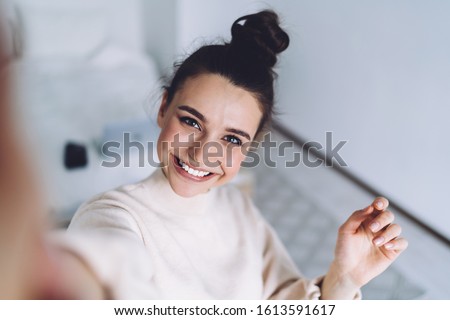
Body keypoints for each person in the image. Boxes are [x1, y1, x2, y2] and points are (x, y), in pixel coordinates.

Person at [1, 10, 407, 299]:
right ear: (162, 109)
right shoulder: (109, 217)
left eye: (232, 140)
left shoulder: (238, 208)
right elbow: (106, 272)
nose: (203, 152)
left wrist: (344, 280)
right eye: (192, 122)